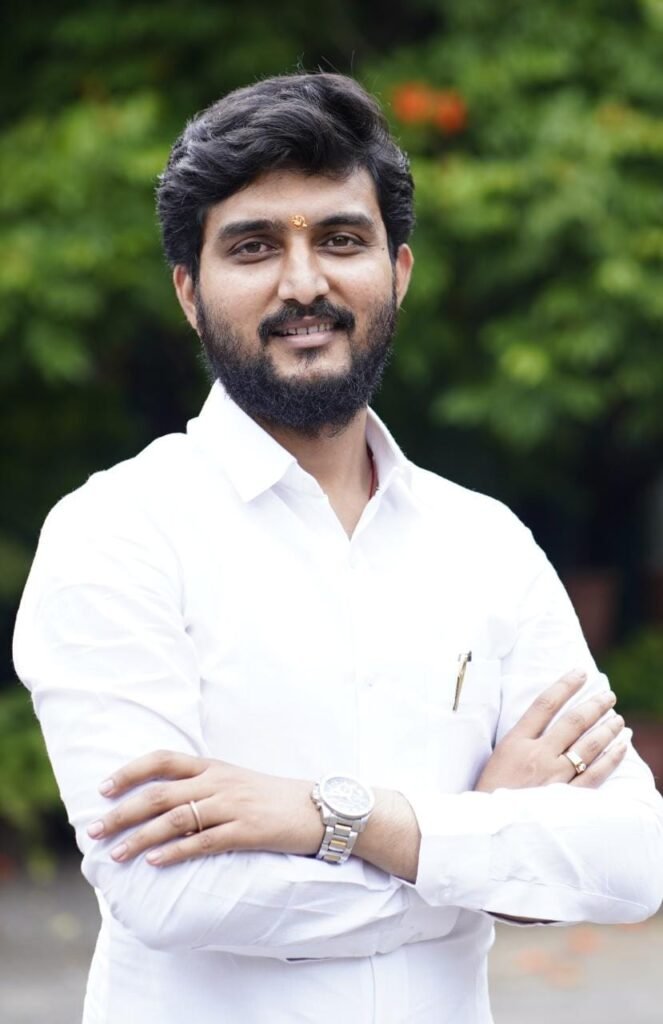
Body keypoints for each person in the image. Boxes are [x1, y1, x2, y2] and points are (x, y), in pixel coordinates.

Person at [13, 72, 663, 1024]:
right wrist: (471, 855)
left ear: (397, 272)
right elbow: (168, 893)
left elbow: (631, 858)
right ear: (189, 292)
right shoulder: (117, 532)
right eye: (253, 246)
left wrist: (329, 816)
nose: (303, 282)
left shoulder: (484, 543)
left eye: (340, 239)